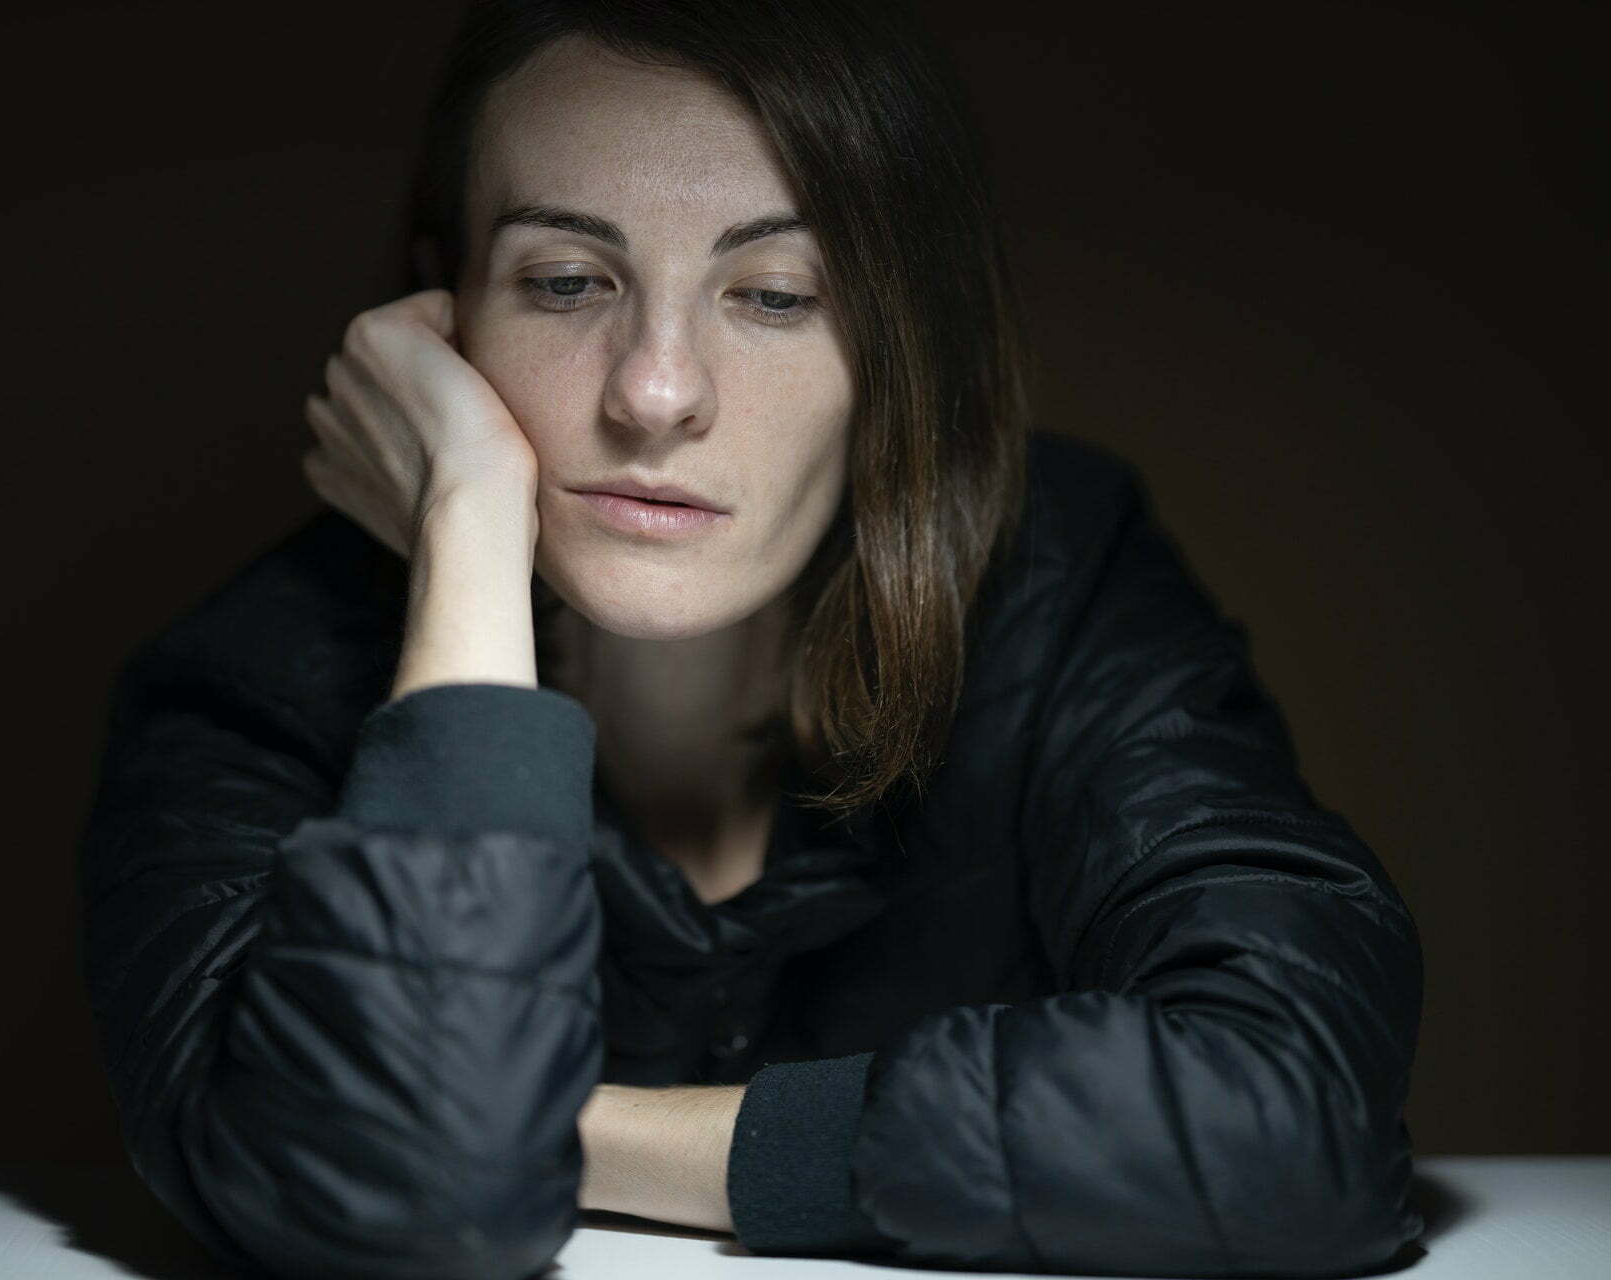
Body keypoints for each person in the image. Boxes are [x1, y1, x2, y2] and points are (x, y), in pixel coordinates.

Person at [75, 1, 1427, 1277]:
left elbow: (1295, 1110)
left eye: (777, 295)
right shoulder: (257, 680)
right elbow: (405, 1215)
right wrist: (470, 519)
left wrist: (578, 1130)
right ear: (437, 317)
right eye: (563, 281)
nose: (656, 391)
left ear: (905, 350)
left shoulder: (1059, 590)